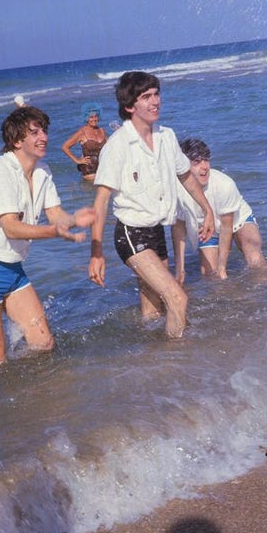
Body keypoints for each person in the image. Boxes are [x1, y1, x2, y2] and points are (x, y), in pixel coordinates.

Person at [0, 106, 95, 367]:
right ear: (16, 141)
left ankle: (29, 396)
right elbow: (11, 227)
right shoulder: (2, 170)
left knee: (43, 344)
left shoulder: (42, 170)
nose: (43, 137)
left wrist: (73, 220)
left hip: (14, 271)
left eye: (43, 130)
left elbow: (55, 213)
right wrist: (53, 232)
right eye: (34, 132)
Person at [88, 72, 215, 338]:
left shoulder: (167, 137)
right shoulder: (118, 145)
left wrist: (208, 210)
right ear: (130, 106)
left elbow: (185, 176)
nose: (155, 101)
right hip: (131, 234)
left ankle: (150, 365)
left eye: (156, 94)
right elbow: (100, 202)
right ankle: (176, 359)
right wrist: (96, 252)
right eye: (146, 97)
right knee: (177, 298)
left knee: (153, 310)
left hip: (157, 231)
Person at [171, 138, 267, 281]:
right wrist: (180, 270)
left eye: (206, 160)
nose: (205, 167)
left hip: (237, 220)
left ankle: (266, 290)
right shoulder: (176, 191)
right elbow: (178, 230)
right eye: (197, 162)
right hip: (207, 228)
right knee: (211, 276)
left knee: (253, 253)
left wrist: (222, 267)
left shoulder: (224, 184)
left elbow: (226, 227)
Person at [61, 103, 108, 181]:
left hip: (103, 172)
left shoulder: (102, 131)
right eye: (91, 117)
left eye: (96, 116)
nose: (94, 119)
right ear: (86, 118)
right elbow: (65, 147)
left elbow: (110, 147)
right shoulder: (82, 132)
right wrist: (78, 160)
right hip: (90, 174)